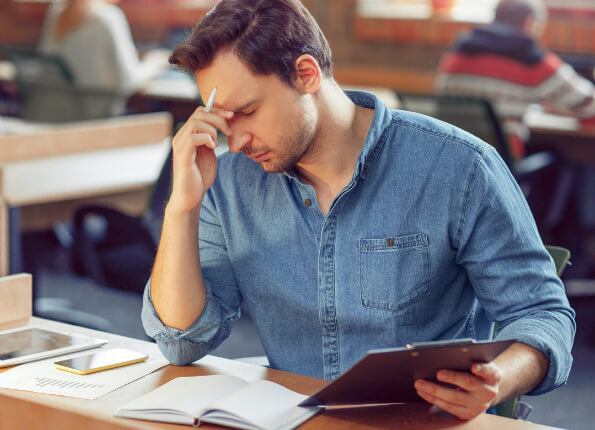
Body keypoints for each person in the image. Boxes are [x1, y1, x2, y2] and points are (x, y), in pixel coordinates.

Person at [142, 0, 575, 420]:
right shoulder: (231, 181)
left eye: (247, 112)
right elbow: (181, 341)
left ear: (306, 74)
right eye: (222, 120)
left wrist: (497, 378)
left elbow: (542, 314)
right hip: (292, 420)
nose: (234, 142)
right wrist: (182, 205)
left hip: (419, 421)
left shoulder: (458, 168)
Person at [436, 0, 595, 159]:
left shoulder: (457, 53)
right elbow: (589, 105)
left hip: (452, 158)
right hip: (499, 166)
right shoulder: (530, 58)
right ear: (529, 22)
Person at [38, 0, 167, 118]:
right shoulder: (108, 17)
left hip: (53, 116)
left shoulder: (56, 11)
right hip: (94, 119)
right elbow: (128, 81)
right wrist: (154, 64)